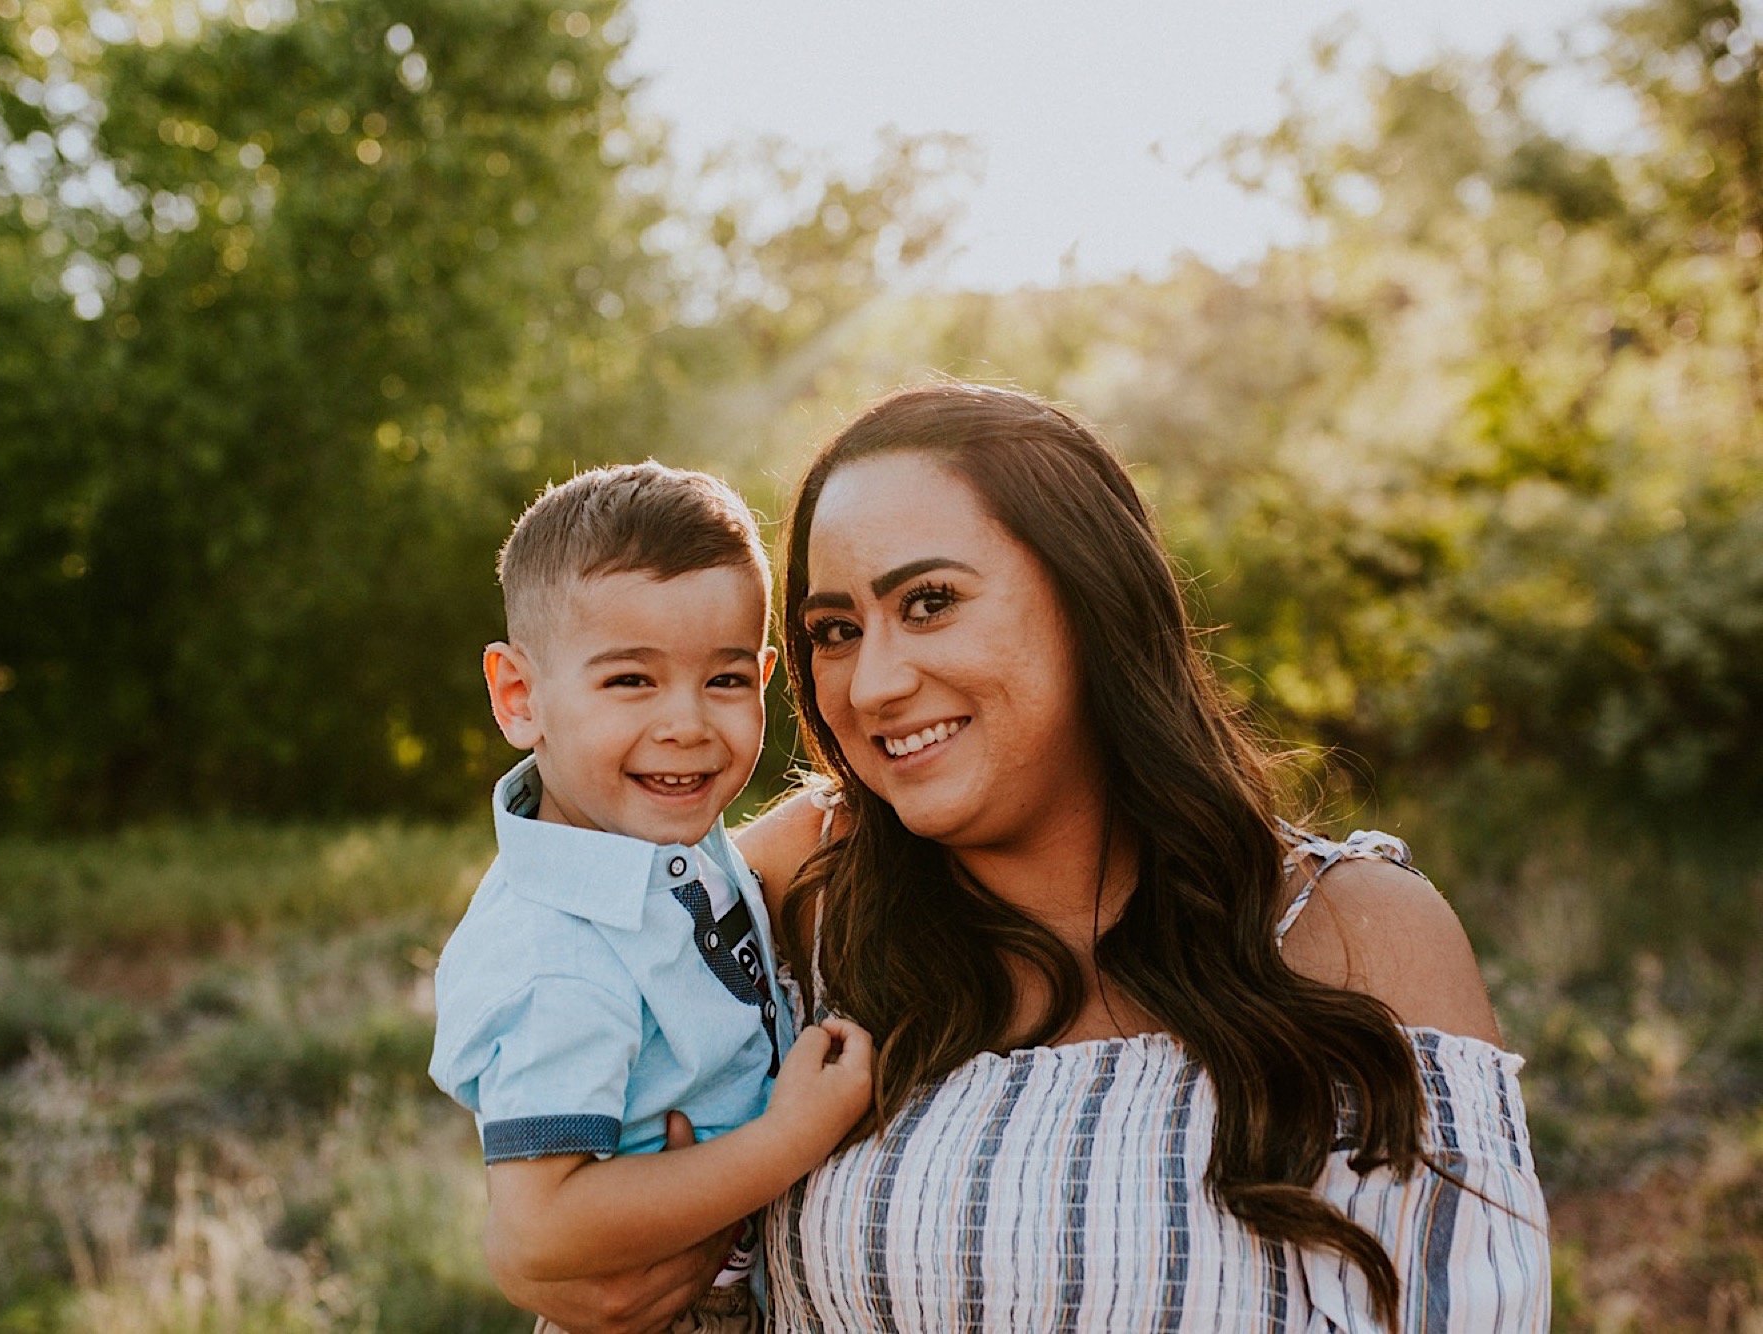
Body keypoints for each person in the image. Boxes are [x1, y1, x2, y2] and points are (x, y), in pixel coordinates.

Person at [493, 384, 1549, 1333]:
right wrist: (560, 1254)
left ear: (1089, 598)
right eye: (833, 628)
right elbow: (557, 1103)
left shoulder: (1354, 930)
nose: (872, 685)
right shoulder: (786, 893)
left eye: (929, 602)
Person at [429, 462, 875, 1334]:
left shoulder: (662, 840)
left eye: (725, 679)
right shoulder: (556, 954)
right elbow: (546, 1226)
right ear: (520, 697)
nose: (687, 724)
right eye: (631, 680)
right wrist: (787, 1141)